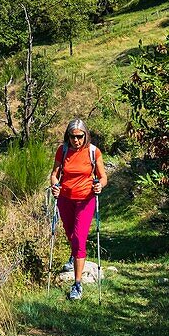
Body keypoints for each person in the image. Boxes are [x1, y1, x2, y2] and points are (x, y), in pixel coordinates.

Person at [49, 119, 108, 300]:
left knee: (79, 237)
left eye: (79, 136)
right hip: (65, 199)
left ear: (85, 135)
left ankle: (77, 284)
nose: (76, 140)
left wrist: (100, 186)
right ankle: (73, 256)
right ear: (68, 136)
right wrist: (55, 185)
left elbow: (102, 176)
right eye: (72, 137)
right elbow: (54, 174)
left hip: (85, 200)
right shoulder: (63, 150)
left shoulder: (93, 152)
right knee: (70, 234)